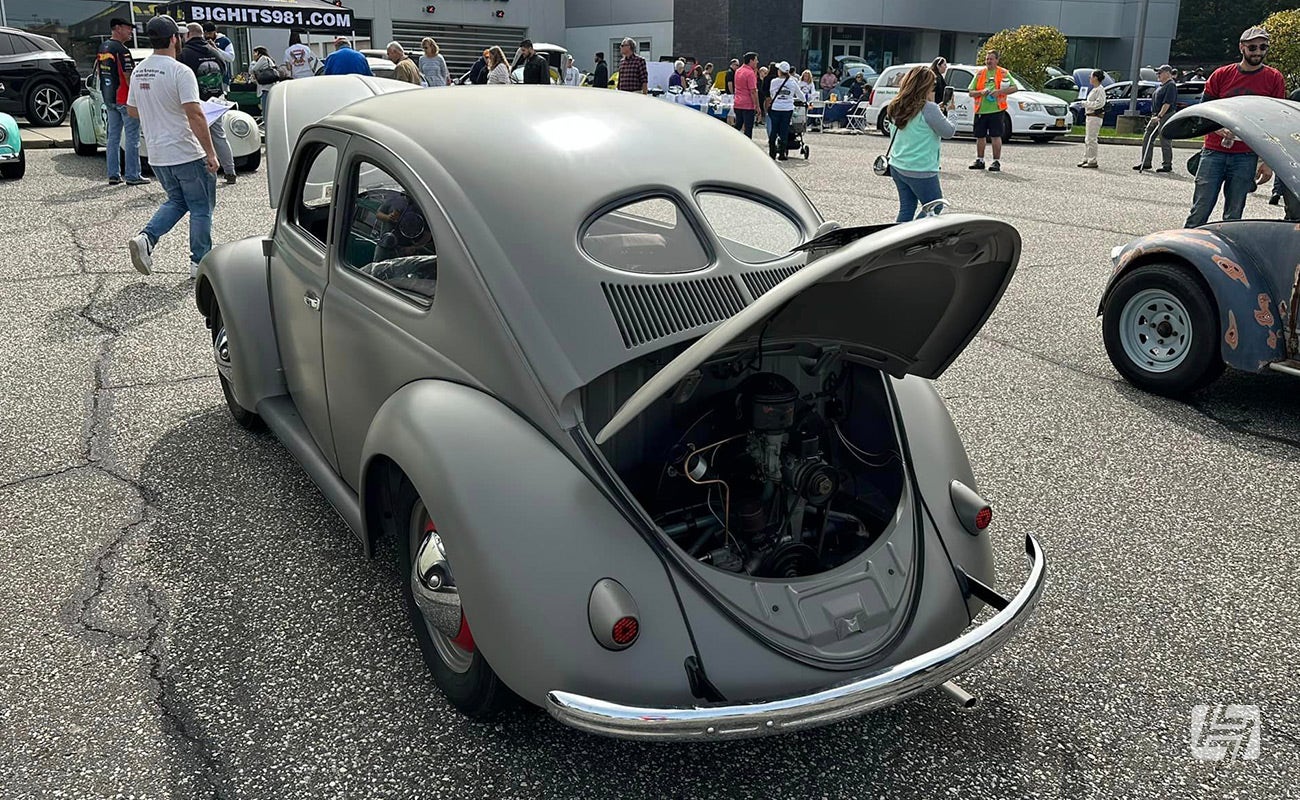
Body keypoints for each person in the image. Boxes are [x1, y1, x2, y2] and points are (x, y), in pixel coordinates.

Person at [126, 15, 218, 279]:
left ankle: (147, 238)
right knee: (201, 207)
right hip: (185, 150)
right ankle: (198, 263)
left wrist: (156, 110)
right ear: (174, 39)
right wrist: (210, 153)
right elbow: (195, 114)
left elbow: (132, 110)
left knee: (177, 200)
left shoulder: (140, 70)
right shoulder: (179, 71)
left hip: (157, 153)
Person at [1185, 27, 1287, 228]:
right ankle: (1184, 254)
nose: (1258, 51)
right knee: (1200, 210)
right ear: (1242, 47)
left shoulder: (1274, 78)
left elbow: (1275, 122)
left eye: (1263, 46)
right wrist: (1218, 128)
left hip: (1246, 155)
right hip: (1214, 151)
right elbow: (1204, 111)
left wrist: (1267, 162)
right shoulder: (1221, 75)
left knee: (1234, 215)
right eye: (1252, 47)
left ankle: (1227, 255)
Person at [884, 65, 957, 222]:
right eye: (933, 85)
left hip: (897, 164)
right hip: (920, 168)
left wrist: (937, 110)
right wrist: (952, 111)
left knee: (907, 207)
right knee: (935, 206)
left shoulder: (896, 105)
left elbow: (913, 124)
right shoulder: (928, 108)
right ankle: (913, 236)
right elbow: (948, 132)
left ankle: (897, 241)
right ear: (926, 86)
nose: (934, 89)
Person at [178, 23, 236, 184]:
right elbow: (224, 70)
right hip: (217, 99)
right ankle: (230, 171)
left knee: (197, 136)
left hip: (196, 100)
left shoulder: (184, 54)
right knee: (219, 136)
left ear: (188, 35)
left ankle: (205, 174)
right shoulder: (214, 50)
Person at [97, 18, 148, 186]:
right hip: (124, 99)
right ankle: (133, 175)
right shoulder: (122, 50)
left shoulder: (103, 47)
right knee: (132, 138)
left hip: (109, 98)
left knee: (113, 138)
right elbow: (128, 77)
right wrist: (138, 97)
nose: (130, 32)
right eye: (128, 28)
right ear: (117, 28)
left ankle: (113, 174)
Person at [967, 49, 1017, 172]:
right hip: (981, 110)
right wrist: (981, 92)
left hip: (997, 110)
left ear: (997, 60)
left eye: (991, 59)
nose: (988, 61)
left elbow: (1014, 88)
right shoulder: (980, 74)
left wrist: (999, 92)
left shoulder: (1003, 73)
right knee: (980, 136)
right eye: (987, 59)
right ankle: (980, 160)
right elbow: (971, 92)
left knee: (996, 135)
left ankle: (996, 161)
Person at [1136, 65, 1178, 172]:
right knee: (1147, 136)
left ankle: (1167, 164)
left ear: (1168, 73)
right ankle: (1146, 162)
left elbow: (1167, 103)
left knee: (1165, 139)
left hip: (1165, 114)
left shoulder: (1171, 86)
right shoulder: (1161, 85)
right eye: (1157, 73)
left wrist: (1160, 116)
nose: (1158, 75)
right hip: (1156, 115)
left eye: (1160, 73)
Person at [766, 62, 797, 160]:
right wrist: (805, 101)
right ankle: (782, 153)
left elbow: (771, 94)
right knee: (784, 130)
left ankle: (772, 152)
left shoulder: (774, 81)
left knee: (774, 129)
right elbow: (799, 93)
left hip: (776, 107)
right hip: (787, 108)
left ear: (780, 71)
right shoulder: (792, 82)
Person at [1078, 69, 1106, 169]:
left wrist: (1085, 103)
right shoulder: (1094, 89)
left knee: (1092, 139)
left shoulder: (1100, 90)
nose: (1090, 78)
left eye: (1091, 76)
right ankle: (1086, 158)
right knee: (1088, 139)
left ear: (1096, 78)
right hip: (1090, 116)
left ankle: (1092, 160)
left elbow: (1099, 103)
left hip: (1095, 116)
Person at [733, 52, 759, 137]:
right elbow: (753, 91)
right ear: (751, 61)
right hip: (748, 104)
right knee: (748, 128)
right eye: (756, 60)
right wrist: (757, 106)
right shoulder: (750, 73)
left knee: (738, 125)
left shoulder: (738, 71)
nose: (757, 62)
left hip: (738, 102)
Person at [202, 22, 234, 91]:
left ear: (215, 32)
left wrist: (216, 49)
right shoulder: (202, 41)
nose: (207, 36)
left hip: (222, 77)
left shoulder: (224, 41)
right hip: (206, 77)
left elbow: (231, 58)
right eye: (205, 34)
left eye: (210, 33)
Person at [249, 46, 276, 117]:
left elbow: (252, 70)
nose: (253, 55)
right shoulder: (268, 59)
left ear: (258, 52)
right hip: (270, 87)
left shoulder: (263, 58)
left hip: (266, 88)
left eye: (254, 53)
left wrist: (254, 62)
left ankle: (267, 125)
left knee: (265, 110)